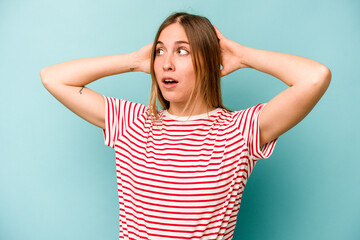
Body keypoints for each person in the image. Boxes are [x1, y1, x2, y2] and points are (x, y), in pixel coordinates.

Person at [40, 12, 331, 240]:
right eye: (159, 51)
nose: (166, 63)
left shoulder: (239, 131)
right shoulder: (131, 123)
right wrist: (133, 60)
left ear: (207, 61)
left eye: (182, 51)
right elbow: (53, 77)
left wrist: (241, 56)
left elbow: (315, 77)